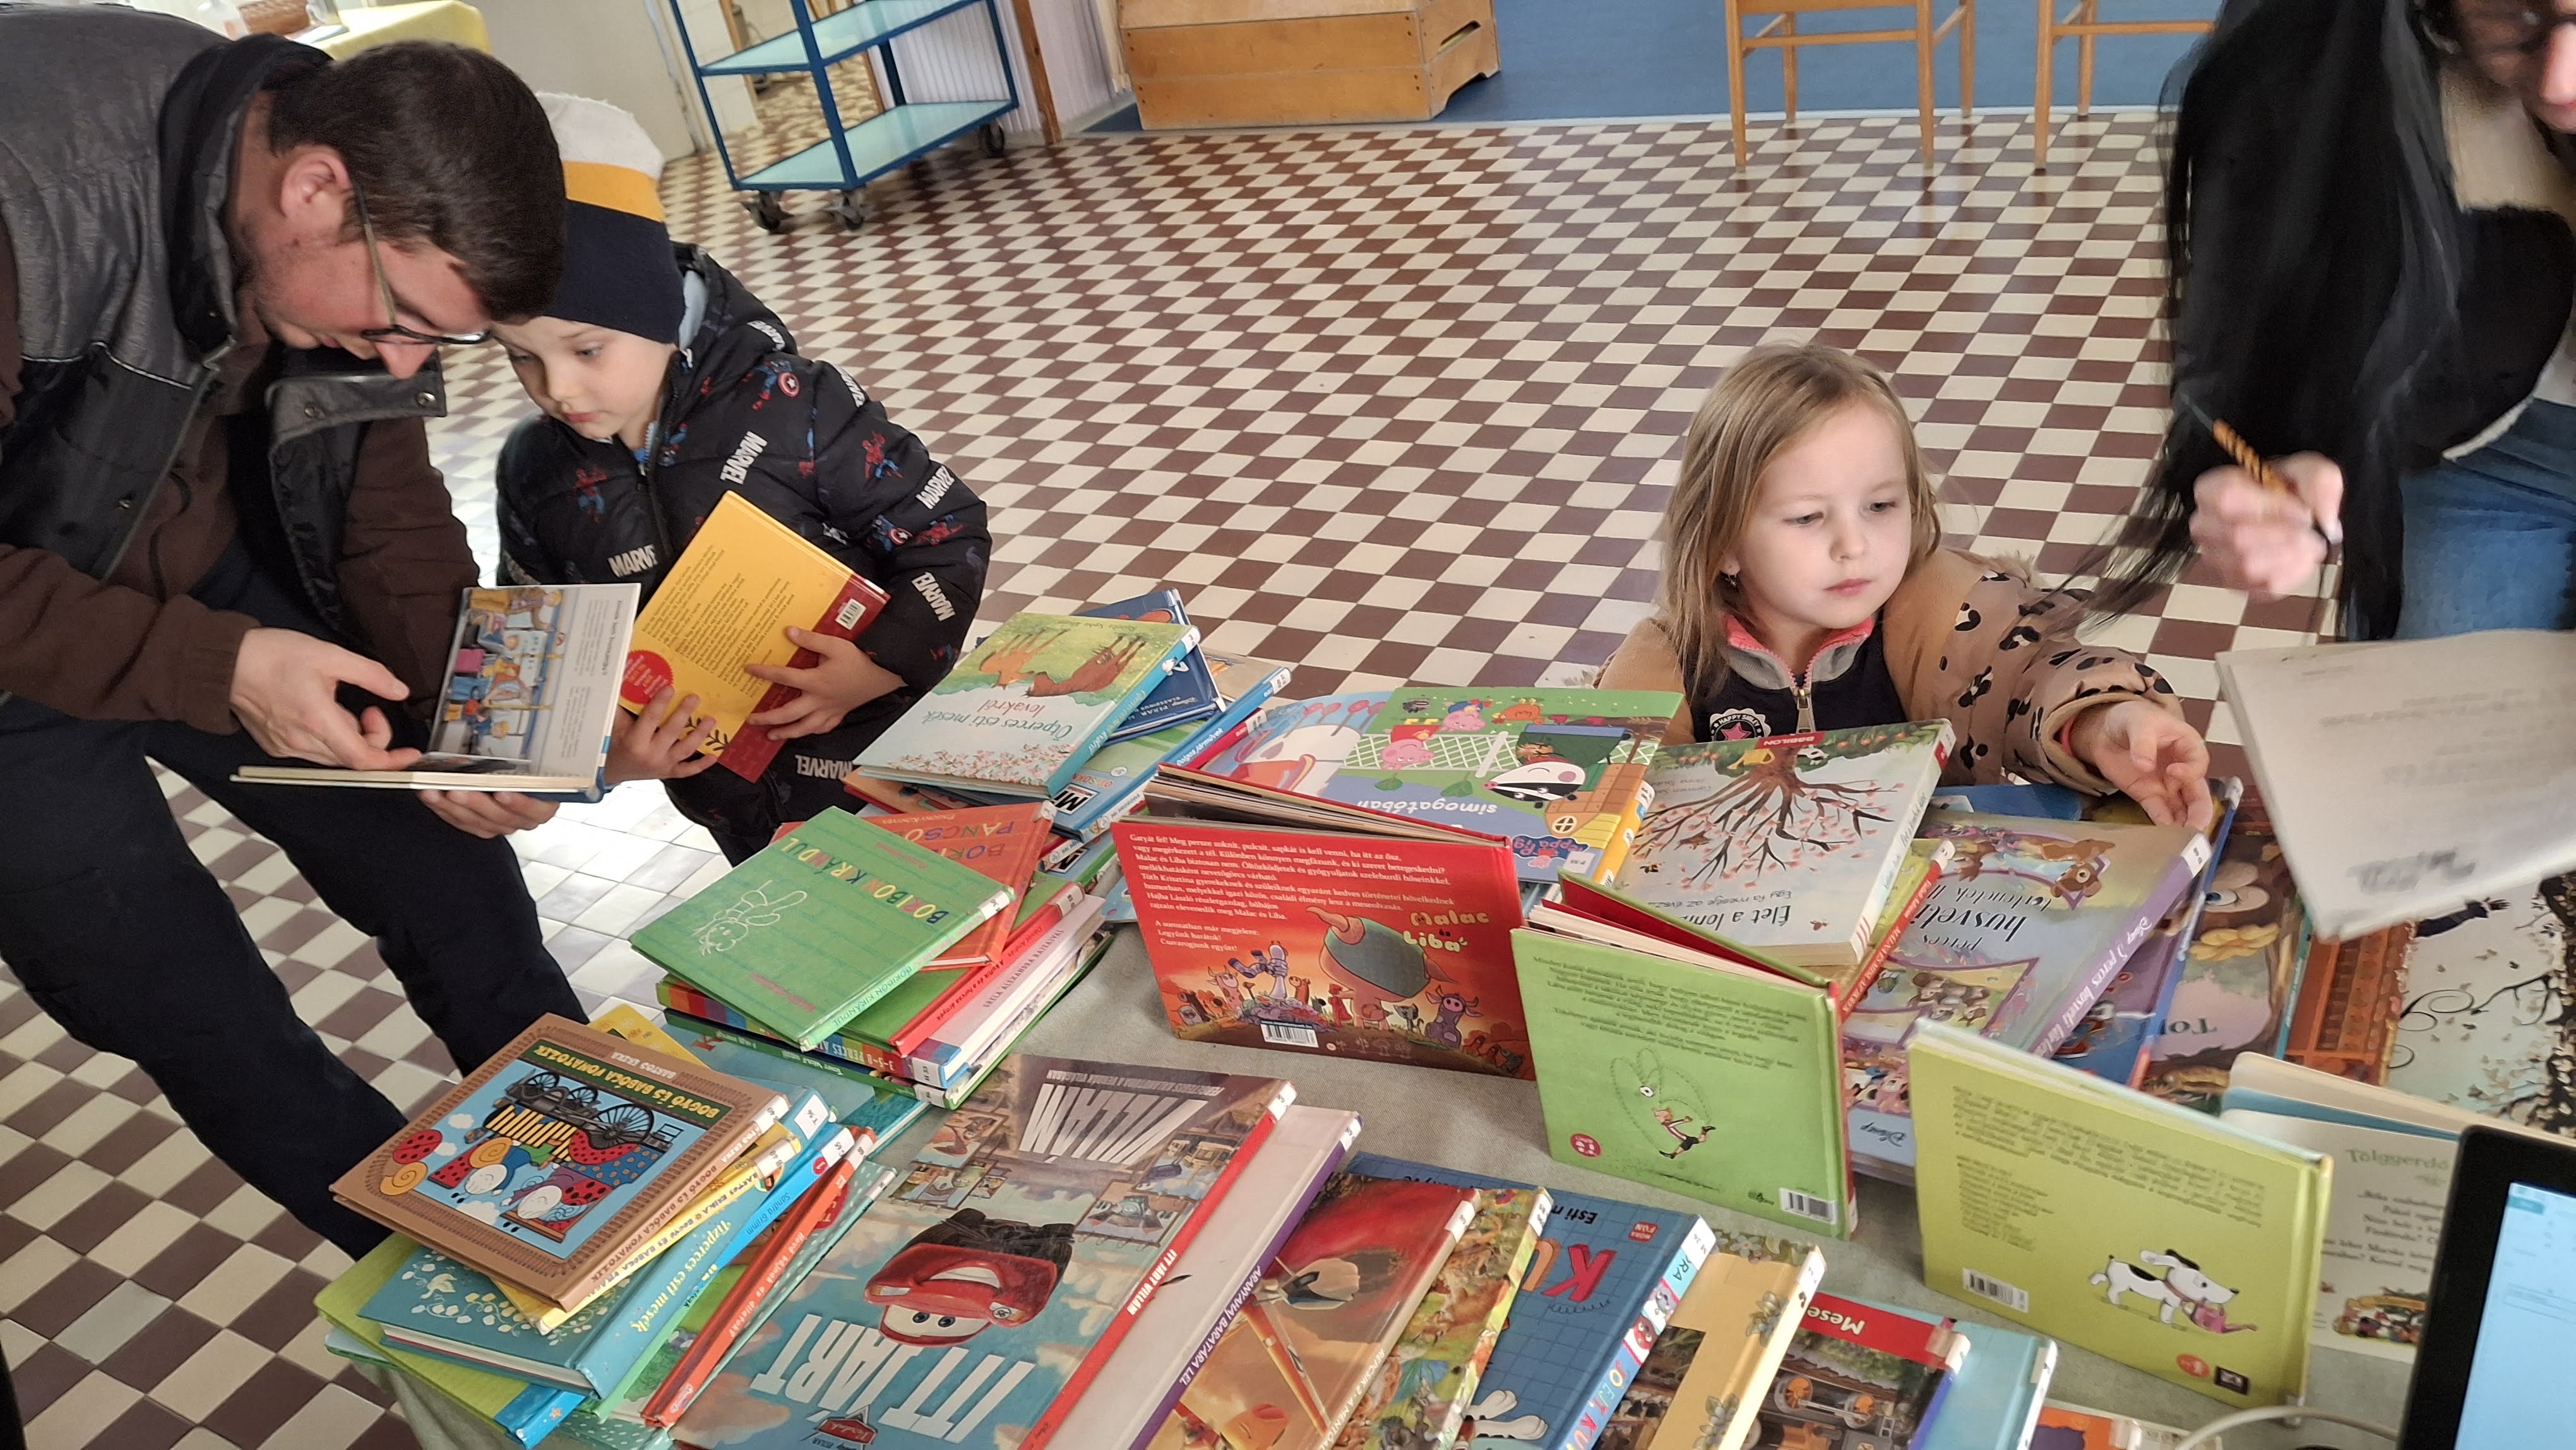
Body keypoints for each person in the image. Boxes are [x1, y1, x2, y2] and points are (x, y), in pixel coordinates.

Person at [0, 9, 585, 1256]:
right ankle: (448, 1289)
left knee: (443, 861)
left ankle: (613, 1184)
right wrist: (222, 667)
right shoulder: (28, 193)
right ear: (316, 191)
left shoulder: (341, 178)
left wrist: (470, 718)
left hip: (180, 539)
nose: (405, 363)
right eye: (398, 321)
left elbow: (384, 501)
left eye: (437, 339)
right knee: (188, 995)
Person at [471, 96, 988, 863]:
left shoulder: (796, 406)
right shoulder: (533, 468)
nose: (558, 389)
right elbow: (529, 649)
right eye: (521, 355)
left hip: (898, 771)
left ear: (654, 305)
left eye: (586, 350)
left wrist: (879, 667)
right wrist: (610, 759)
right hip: (736, 811)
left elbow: (947, 531)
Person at [1599, 342, 2214, 829]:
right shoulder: (1665, 662)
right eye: (1807, 517)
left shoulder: (1944, 612)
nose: (1854, 545)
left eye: (1881, 506)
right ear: (1724, 541)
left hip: (1930, 906)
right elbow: (1602, 799)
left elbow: (2033, 674)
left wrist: (2104, 723)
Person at [2111, 0, 2576, 638]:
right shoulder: (2314, 46)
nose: (2559, 83)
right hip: (2483, 455)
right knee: (2434, 695)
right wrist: (2288, 455)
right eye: (2509, 13)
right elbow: (2242, 329)